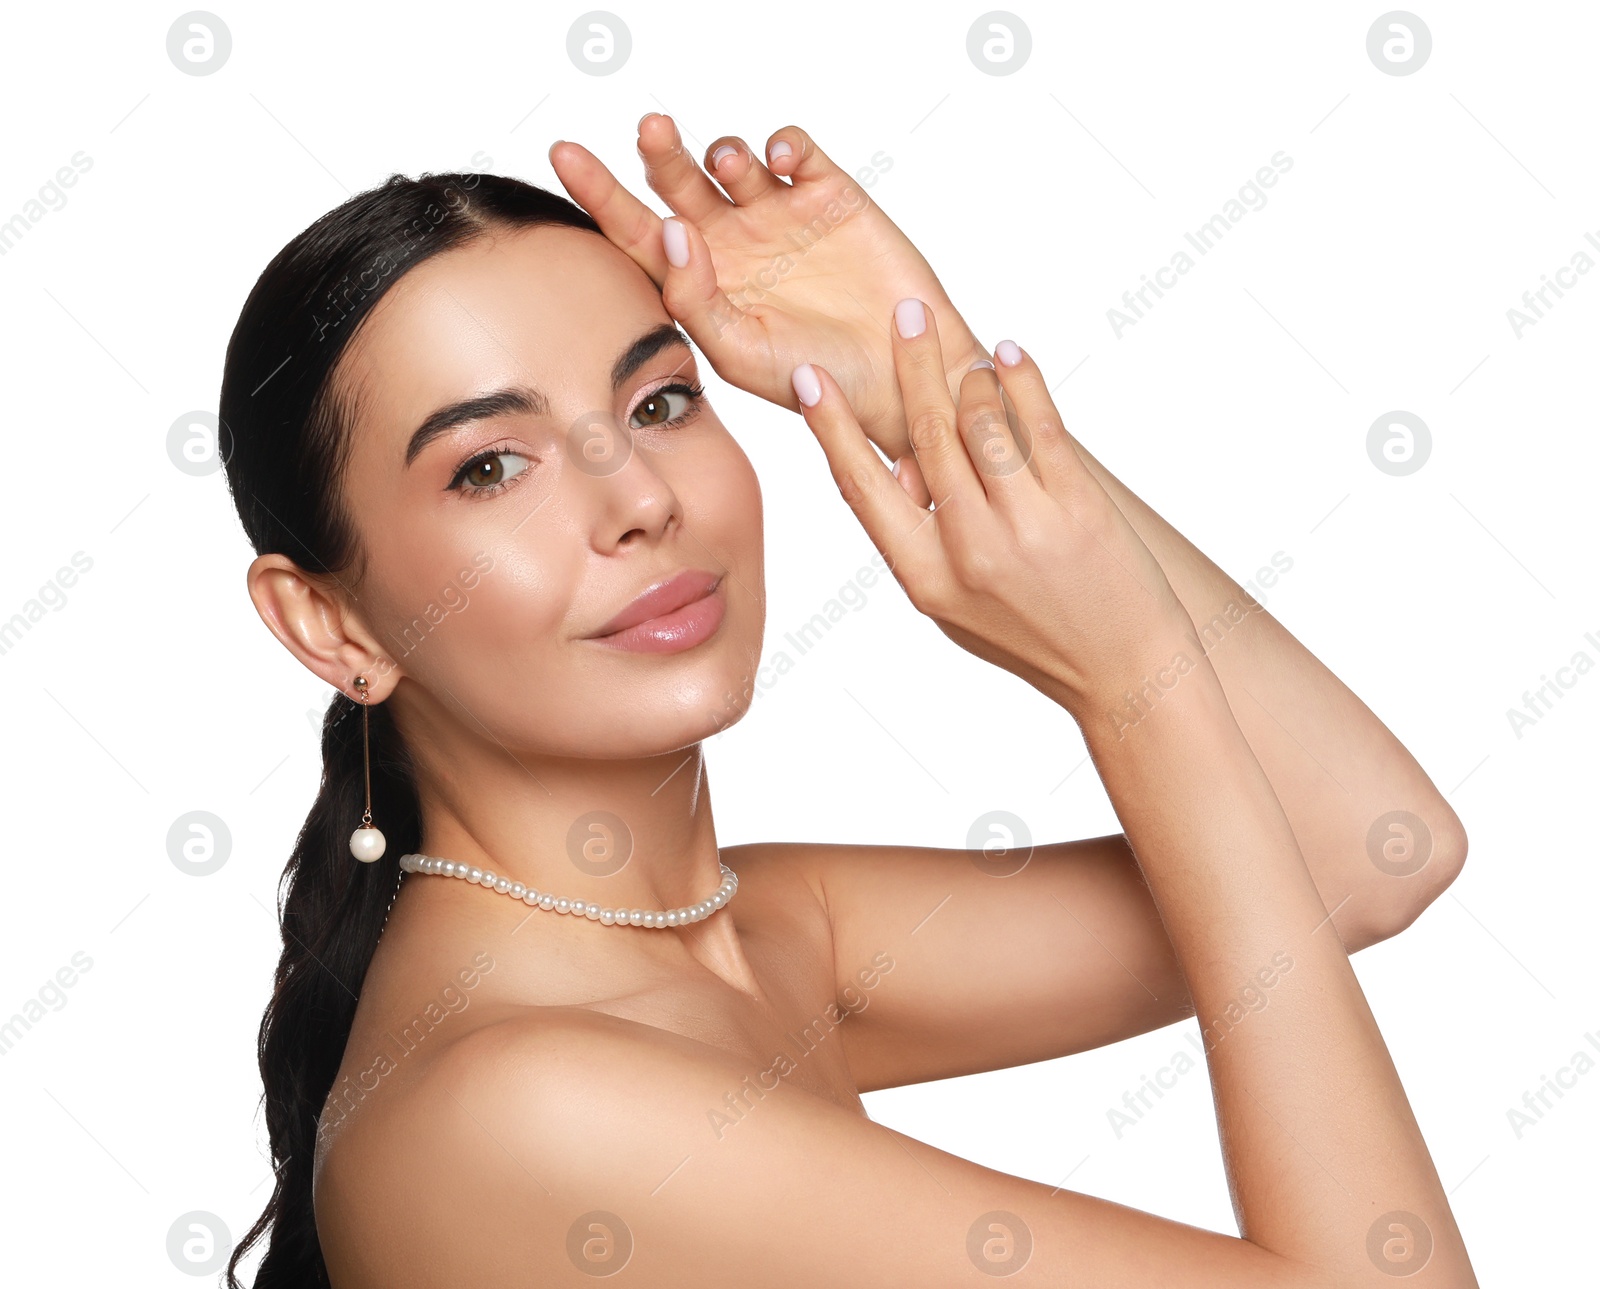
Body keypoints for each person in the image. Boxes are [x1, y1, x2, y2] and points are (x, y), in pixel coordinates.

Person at [220, 117, 1476, 1286]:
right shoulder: (519, 1102)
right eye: (490, 466)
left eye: (660, 400)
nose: (639, 498)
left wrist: (940, 401)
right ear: (328, 624)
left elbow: (1365, 849)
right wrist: (1125, 675)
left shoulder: (762, 932)